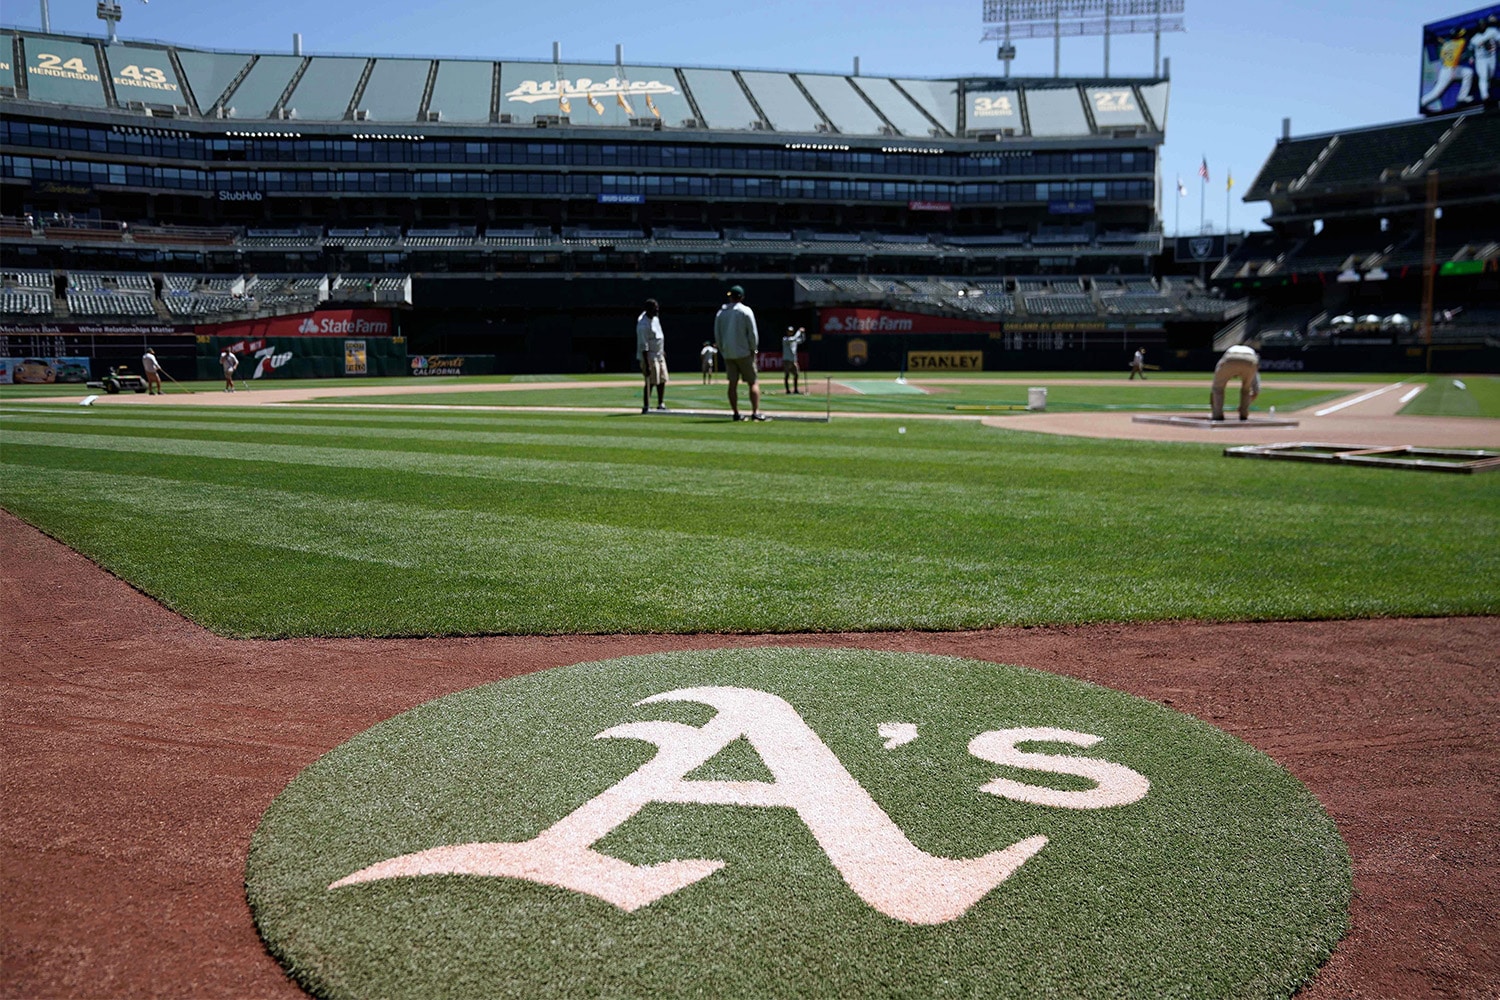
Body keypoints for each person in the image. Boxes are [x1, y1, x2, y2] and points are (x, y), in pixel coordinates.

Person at [713, 284, 765, 421]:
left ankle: (736, 413)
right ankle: (755, 412)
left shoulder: (721, 313)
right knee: (753, 382)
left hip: (729, 353)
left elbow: (717, 335)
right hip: (744, 352)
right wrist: (754, 349)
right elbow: (752, 333)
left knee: (732, 384)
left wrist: (723, 350)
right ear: (742, 297)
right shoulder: (745, 311)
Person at [1421, 27, 1475, 109]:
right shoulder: (1461, 42)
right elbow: (1464, 40)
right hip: (1448, 71)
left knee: (1468, 72)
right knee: (1436, 93)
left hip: (1452, 68)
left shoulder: (1446, 45)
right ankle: (1422, 101)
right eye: (1460, 35)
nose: (1462, 35)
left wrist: (1443, 42)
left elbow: (1444, 55)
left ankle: (1462, 97)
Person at [1210, 344, 1261, 421]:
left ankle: (1217, 415)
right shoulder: (1252, 354)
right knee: (1246, 390)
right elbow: (1256, 391)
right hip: (1251, 360)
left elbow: (1214, 390)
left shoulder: (1227, 353)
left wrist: (1213, 406)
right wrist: (1245, 405)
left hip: (1230, 357)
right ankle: (1244, 414)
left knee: (1218, 389)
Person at [636, 298, 668, 413]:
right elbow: (643, 345)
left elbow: (659, 337)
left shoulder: (655, 319)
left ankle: (661, 403)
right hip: (650, 356)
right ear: (648, 310)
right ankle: (646, 405)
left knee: (662, 379)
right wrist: (647, 363)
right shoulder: (643, 325)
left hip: (659, 354)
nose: (657, 310)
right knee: (651, 381)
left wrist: (662, 350)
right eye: (654, 308)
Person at [1473, 15, 1499, 103]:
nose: (1482, 26)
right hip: (1481, 59)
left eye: (1483, 24)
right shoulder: (1475, 38)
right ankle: (1485, 96)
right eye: (1480, 24)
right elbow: (1472, 49)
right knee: (1483, 77)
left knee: (1489, 77)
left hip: (1492, 56)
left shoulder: (1492, 31)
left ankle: (1487, 95)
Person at [782, 326, 806, 394]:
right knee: (787, 375)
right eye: (789, 331)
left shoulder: (794, 340)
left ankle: (795, 389)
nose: (790, 332)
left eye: (791, 331)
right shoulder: (785, 339)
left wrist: (803, 334)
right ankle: (787, 390)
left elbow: (802, 340)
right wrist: (799, 331)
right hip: (787, 360)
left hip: (793, 360)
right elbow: (793, 338)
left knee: (796, 374)